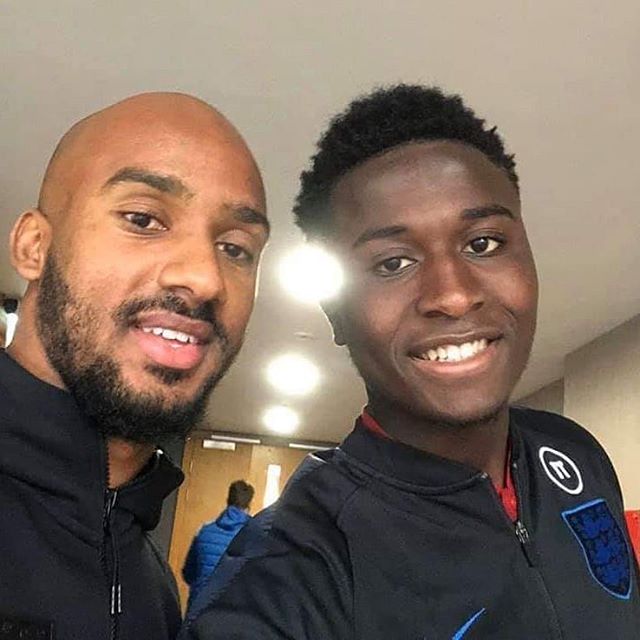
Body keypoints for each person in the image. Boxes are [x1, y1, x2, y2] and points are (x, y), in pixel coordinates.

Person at [181, 85, 640, 639]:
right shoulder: (286, 576)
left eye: (484, 244)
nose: (452, 295)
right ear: (338, 315)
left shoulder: (574, 452)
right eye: (393, 262)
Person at [0, 92, 269, 639]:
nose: (205, 278)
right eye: (143, 219)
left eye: (235, 248)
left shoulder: (151, 581)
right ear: (34, 246)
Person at [183, 480, 254, 609]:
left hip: (198, 610)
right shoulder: (254, 536)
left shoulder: (204, 531)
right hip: (232, 612)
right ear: (248, 506)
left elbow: (188, 574)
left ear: (227, 501)